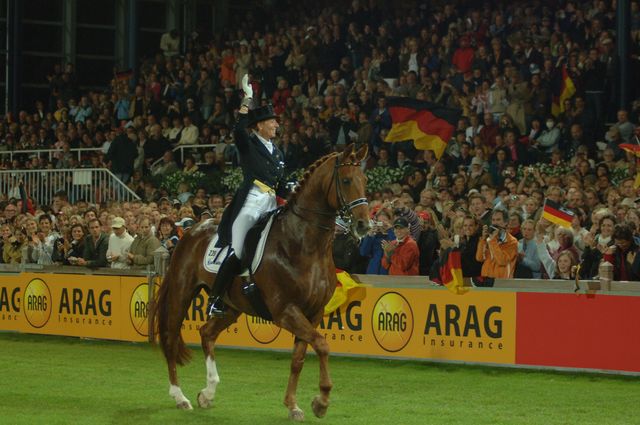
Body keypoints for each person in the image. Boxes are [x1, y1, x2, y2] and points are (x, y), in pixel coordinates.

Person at [208, 74, 285, 317]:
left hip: (271, 204)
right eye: (272, 121)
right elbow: (238, 129)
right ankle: (215, 298)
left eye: (276, 122)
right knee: (239, 249)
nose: (276, 125)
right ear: (259, 125)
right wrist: (247, 99)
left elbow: (281, 185)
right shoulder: (248, 144)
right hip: (251, 202)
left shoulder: (278, 153)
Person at [475, 209, 518, 284]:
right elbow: (479, 258)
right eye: (493, 220)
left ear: (505, 223)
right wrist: (483, 239)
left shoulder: (512, 242)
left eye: (498, 220)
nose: (495, 223)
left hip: (502, 282)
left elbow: (502, 261)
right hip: (486, 280)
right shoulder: (489, 239)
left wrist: (492, 241)